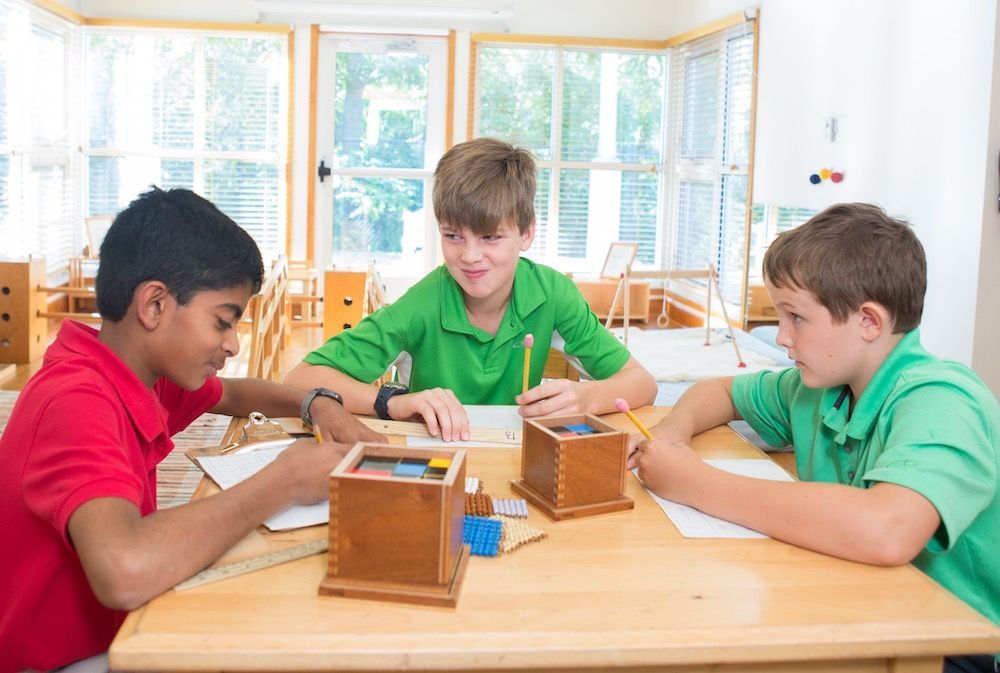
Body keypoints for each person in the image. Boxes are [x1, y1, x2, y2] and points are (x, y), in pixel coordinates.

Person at [0, 187, 384, 673]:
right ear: (155, 305)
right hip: (59, 660)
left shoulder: (133, 372)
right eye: (223, 322)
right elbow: (125, 570)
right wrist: (284, 481)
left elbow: (236, 395)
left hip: (116, 632)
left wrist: (318, 404)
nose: (232, 344)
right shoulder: (76, 401)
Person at [629, 203, 999, 673]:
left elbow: (887, 531)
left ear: (869, 321)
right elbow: (718, 391)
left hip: (951, 644)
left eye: (795, 317)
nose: (781, 337)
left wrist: (692, 481)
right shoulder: (820, 385)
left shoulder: (944, 400)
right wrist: (671, 435)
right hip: (857, 606)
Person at [286, 138, 657, 441]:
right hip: (436, 459)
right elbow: (299, 379)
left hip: (518, 458)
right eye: (453, 236)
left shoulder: (554, 293)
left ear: (527, 233)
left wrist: (587, 396)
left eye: (491, 237)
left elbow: (641, 383)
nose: (470, 256)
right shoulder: (423, 303)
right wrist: (393, 402)